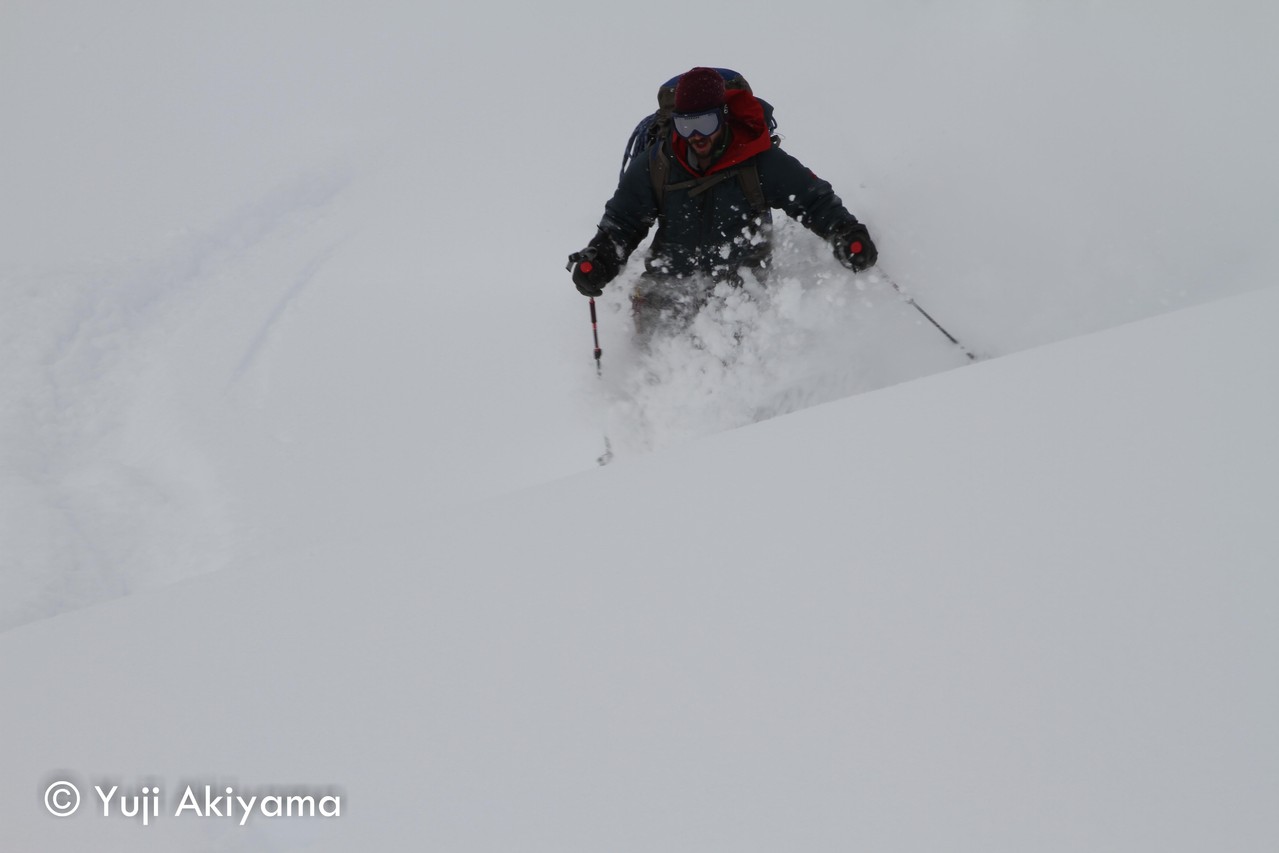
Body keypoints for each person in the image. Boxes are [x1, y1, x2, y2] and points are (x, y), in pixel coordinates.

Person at [568, 66, 878, 339]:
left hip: (740, 300)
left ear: (723, 117)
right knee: (665, 385)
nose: (696, 136)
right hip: (666, 297)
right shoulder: (656, 165)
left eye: (706, 123)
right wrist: (600, 262)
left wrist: (846, 233)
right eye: (686, 125)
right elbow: (623, 224)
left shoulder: (759, 161)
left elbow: (812, 201)